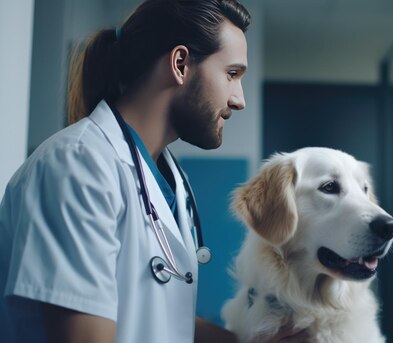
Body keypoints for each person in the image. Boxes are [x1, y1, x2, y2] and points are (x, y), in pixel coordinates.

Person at [0, 0, 308, 342]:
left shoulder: (171, 181)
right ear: (180, 64)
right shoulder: (77, 166)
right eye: (232, 74)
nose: (239, 100)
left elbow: (159, 317)